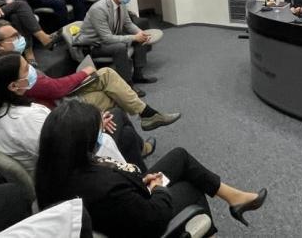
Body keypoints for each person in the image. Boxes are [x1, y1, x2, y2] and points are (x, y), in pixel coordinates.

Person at [35, 100, 268, 237]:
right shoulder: (102, 187)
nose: (102, 133)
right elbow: (152, 219)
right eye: (98, 130)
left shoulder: (52, 168)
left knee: (180, 157)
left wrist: (141, 180)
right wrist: (157, 188)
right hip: (142, 212)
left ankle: (235, 199)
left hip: (130, 194)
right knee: (189, 185)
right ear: (83, 141)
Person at [0, 20, 180, 133]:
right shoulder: (7, 70)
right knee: (111, 95)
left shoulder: (10, 61)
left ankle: (147, 116)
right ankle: (140, 131)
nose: (20, 38)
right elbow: (54, 89)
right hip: (58, 107)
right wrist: (83, 73)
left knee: (107, 74)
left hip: (56, 97)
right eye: (14, 36)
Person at [0, 52, 146, 173]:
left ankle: (138, 175)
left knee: (126, 135)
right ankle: (140, 179)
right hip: (67, 171)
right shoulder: (27, 118)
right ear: (13, 86)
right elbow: (67, 151)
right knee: (119, 120)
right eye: (26, 69)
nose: (32, 69)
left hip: (53, 161)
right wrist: (95, 125)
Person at [74, 0, 161, 86]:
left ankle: (138, 75)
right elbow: (106, 38)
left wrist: (141, 33)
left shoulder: (121, 4)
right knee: (119, 47)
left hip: (109, 39)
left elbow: (128, 24)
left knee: (140, 39)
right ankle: (128, 84)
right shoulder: (99, 9)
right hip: (94, 45)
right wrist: (134, 37)